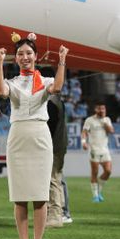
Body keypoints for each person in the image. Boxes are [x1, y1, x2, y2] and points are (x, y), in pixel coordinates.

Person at [0, 32, 68, 239]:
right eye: (20, 54)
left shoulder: (45, 81)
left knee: (39, 195)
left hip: (39, 136)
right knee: (19, 196)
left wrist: (62, 60)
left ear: (36, 56)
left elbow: (57, 87)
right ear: (15, 58)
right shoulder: (12, 82)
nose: (25, 57)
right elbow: (0, 92)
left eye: (28, 53)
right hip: (18, 136)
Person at [81, 102, 115, 202]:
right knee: (94, 173)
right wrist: (83, 142)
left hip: (105, 150)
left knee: (108, 171)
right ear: (96, 109)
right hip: (94, 150)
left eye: (103, 108)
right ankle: (95, 195)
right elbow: (84, 132)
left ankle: (99, 190)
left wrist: (104, 121)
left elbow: (111, 131)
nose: (102, 110)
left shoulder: (107, 119)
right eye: (100, 108)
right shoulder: (90, 120)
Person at [46, 89, 67, 228]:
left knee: (52, 179)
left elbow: (49, 127)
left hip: (53, 146)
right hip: (59, 144)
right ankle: (61, 212)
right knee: (57, 179)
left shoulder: (50, 103)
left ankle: (55, 216)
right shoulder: (58, 101)